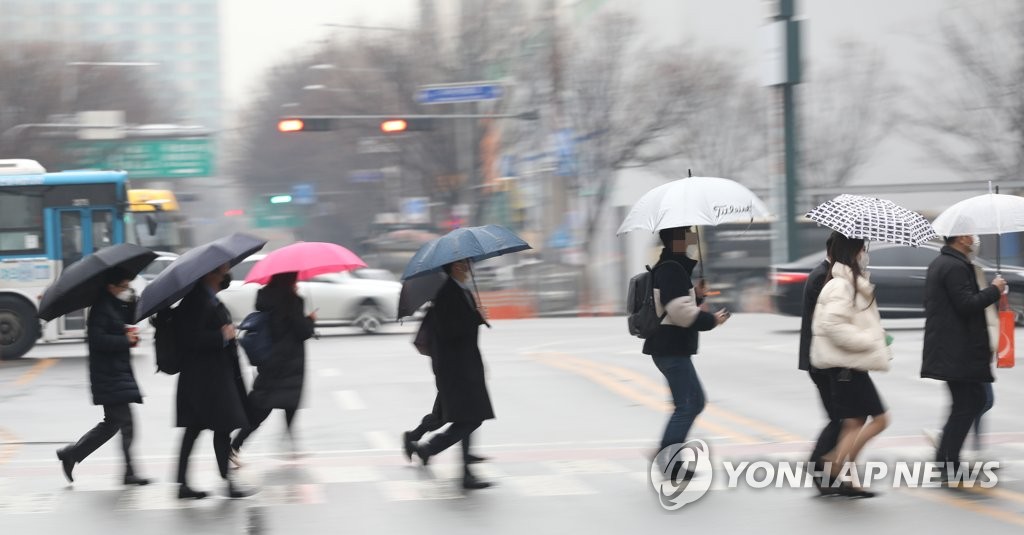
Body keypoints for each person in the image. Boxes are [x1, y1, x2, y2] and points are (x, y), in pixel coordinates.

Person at [643, 226, 728, 479]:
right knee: (688, 404)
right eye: (688, 232)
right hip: (671, 347)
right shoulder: (671, 269)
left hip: (670, 347)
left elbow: (676, 306)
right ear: (677, 239)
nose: (693, 237)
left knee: (693, 402)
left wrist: (697, 296)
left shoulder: (673, 267)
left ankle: (667, 453)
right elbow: (681, 314)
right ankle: (667, 459)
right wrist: (711, 319)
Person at [810, 234, 890, 498]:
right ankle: (834, 461)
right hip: (845, 367)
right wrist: (867, 340)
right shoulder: (841, 286)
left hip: (850, 365)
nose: (865, 253)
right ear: (853, 251)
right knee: (879, 419)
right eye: (863, 248)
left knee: (854, 422)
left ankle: (844, 471)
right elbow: (830, 325)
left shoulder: (849, 282)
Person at [57, 268, 150, 486]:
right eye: (124, 286)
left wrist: (133, 300)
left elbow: (129, 317)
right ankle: (128, 472)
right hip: (109, 376)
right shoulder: (101, 309)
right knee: (125, 424)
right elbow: (98, 341)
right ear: (111, 287)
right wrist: (126, 341)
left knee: (112, 424)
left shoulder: (113, 304)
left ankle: (72, 454)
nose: (127, 289)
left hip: (116, 374)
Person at [922, 235, 1004, 481]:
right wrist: (994, 290)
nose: (975, 238)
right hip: (956, 349)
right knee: (968, 403)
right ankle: (948, 461)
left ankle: (947, 458)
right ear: (960, 238)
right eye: (970, 234)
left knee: (970, 401)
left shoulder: (946, 263)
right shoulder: (954, 266)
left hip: (955, 348)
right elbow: (966, 304)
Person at [409, 259, 495, 490]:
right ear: (455, 266)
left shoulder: (459, 290)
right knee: (471, 418)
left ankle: (464, 471)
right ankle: (429, 449)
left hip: (465, 366)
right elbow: (450, 332)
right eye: (465, 263)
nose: (469, 266)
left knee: (467, 417)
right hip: (458, 369)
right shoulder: (448, 293)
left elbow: (460, 327)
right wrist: (476, 318)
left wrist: (476, 317)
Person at [173, 264, 256, 499]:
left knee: (214, 428)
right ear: (210, 274)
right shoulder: (196, 301)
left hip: (213, 376)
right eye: (222, 271)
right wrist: (222, 336)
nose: (226, 275)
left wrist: (226, 334)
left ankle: (190, 484)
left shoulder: (208, 298)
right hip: (204, 379)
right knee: (215, 428)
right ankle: (221, 483)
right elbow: (190, 339)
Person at [231, 272, 316, 461]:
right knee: (267, 408)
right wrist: (310, 320)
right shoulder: (293, 301)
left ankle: (289, 443)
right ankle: (235, 446)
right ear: (289, 280)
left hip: (271, 361)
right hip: (288, 363)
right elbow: (301, 331)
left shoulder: (266, 298)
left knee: (274, 405)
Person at [798, 232, 843, 496]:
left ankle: (825, 470)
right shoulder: (823, 277)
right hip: (822, 360)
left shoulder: (828, 274)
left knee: (839, 416)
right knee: (839, 416)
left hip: (823, 358)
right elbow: (828, 322)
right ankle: (819, 466)